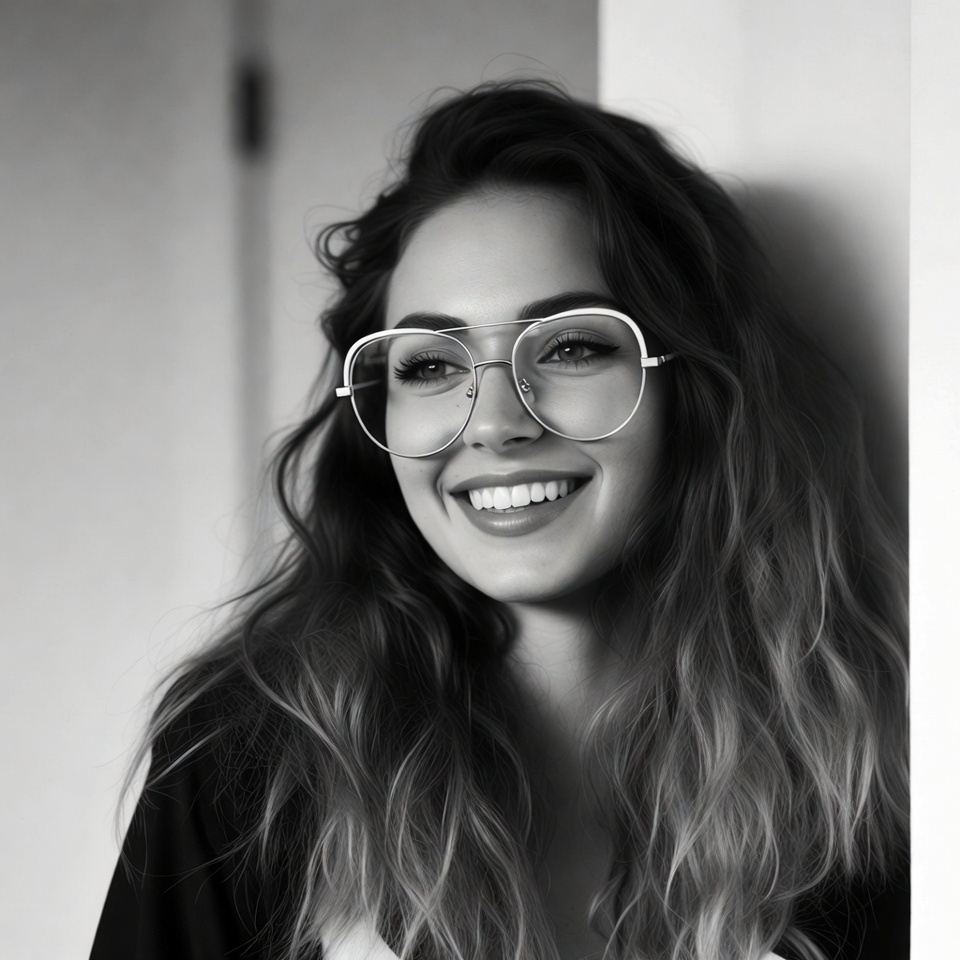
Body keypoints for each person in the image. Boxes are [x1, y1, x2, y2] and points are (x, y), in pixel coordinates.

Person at [90, 82, 909, 960]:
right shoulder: (253, 771)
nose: (492, 421)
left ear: (696, 389)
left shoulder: (856, 772)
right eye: (432, 365)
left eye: (568, 346)